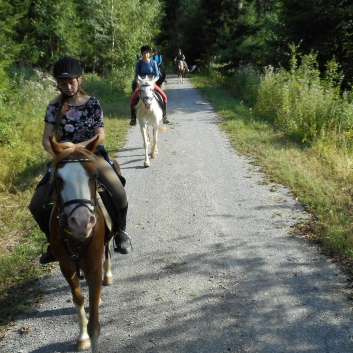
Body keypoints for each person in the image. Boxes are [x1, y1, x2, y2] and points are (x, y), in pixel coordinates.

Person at [29, 56, 132, 264]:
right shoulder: (53, 107)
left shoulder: (92, 103)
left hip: (91, 155)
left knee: (118, 191)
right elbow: (46, 139)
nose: (68, 86)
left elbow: (100, 135)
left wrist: (80, 149)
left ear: (80, 80)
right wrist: (60, 155)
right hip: (64, 159)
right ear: (58, 83)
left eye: (71, 82)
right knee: (37, 204)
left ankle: (120, 233)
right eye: (63, 83)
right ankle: (52, 243)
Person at [130, 45, 170, 126]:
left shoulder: (153, 63)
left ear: (150, 54)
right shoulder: (139, 64)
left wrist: (152, 82)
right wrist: (138, 82)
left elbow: (157, 76)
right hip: (142, 84)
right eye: (144, 53)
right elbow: (137, 75)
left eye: (147, 53)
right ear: (142, 54)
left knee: (164, 97)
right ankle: (133, 118)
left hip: (151, 83)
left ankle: (165, 116)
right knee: (132, 99)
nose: (146, 55)